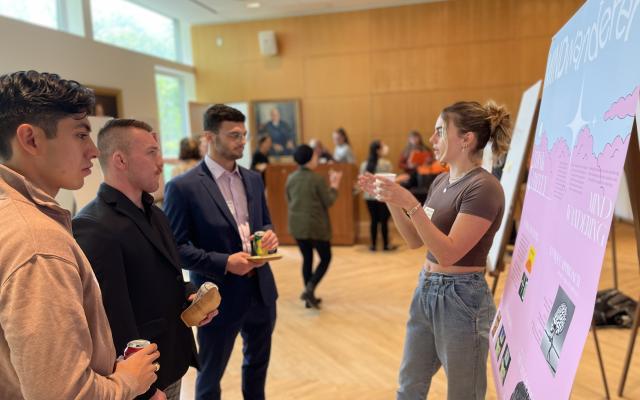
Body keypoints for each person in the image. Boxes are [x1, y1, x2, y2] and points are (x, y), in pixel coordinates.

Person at [0, 70, 159, 399]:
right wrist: (128, 381)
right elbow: (63, 393)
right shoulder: (37, 243)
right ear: (31, 139)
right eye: (80, 135)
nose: (92, 150)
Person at [359, 100, 512, 399]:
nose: (432, 140)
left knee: (463, 394)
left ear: (466, 139)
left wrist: (410, 203)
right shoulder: (442, 180)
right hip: (426, 290)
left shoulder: (484, 187)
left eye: (440, 131)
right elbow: (416, 240)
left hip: (462, 298)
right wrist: (391, 198)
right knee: (409, 387)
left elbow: (448, 252)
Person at [73, 119, 217, 400]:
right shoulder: (94, 225)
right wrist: (144, 390)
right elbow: (112, 317)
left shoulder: (156, 213)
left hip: (172, 357)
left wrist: (192, 298)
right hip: (143, 379)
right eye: (151, 152)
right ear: (120, 160)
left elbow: (168, 275)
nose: (161, 161)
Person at [164, 104, 279, 400]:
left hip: (262, 291)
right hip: (217, 298)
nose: (242, 140)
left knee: (257, 367)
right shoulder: (183, 187)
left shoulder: (253, 178)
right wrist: (225, 263)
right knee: (210, 375)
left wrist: (267, 236)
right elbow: (177, 249)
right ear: (209, 137)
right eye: (233, 135)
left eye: (244, 134)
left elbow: (262, 221)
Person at [286, 144, 342, 309]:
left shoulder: (291, 178)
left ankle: (308, 296)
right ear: (310, 159)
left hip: (297, 226)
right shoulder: (316, 179)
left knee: (307, 259)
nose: (317, 159)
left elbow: (288, 200)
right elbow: (328, 201)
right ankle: (310, 289)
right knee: (325, 258)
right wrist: (334, 186)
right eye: (315, 156)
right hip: (316, 226)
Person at [360, 140, 396, 251]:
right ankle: (385, 245)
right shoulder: (386, 164)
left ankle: (373, 245)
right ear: (378, 150)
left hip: (369, 196)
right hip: (382, 196)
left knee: (373, 220)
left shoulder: (364, 164)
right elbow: (390, 181)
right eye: (382, 147)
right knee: (384, 221)